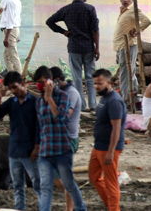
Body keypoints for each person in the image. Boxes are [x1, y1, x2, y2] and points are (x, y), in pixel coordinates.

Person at [33, 66, 87, 211]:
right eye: (37, 83)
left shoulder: (65, 96)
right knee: (45, 186)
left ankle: (76, 207)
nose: (40, 85)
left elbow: (61, 118)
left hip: (63, 145)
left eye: (42, 82)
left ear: (51, 81)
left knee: (67, 182)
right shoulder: (39, 102)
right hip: (46, 148)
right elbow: (40, 125)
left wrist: (49, 98)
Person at [46, 0, 100, 111]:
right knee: (90, 77)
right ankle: (92, 104)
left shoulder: (66, 9)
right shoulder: (90, 9)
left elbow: (49, 21)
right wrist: (97, 47)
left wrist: (63, 31)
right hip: (88, 48)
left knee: (76, 78)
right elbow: (95, 30)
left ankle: (81, 106)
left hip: (74, 47)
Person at [0, 71, 40, 211]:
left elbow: (39, 126)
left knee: (37, 183)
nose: (13, 91)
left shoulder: (34, 102)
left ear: (23, 84)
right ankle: (20, 209)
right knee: (18, 186)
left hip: (30, 149)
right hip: (14, 150)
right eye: (11, 88)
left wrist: (37, 147)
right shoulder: (11, 102)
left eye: (15, 87)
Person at [89, 69, 126, 211]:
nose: (97, 86)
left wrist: (111, 152)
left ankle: (113, 208)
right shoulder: (104, 98)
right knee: (94, 176)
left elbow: (116, 128)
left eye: (100, 83)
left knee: (111, 183)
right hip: (98, 146)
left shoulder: (114, 101)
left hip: (108, 148)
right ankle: (109, 205)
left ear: (109, 83)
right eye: (95, 84)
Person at [50, 67, 83, 211]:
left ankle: (71, 205)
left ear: (57, 80)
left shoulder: (71, 94)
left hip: (68, 140)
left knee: (59, 176)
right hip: (60, 139)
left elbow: (63, 117)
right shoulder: (62, 92)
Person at [113, 0, 151, 106]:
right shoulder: (123, 11)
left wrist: (137, 29)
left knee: (126, 73)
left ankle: (126, 99)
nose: (125, 0)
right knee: (128, 72)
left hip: (128, 46)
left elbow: (147, 21)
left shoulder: (134, 10)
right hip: (121, 46)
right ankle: (132, 98)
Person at [0, 0, 23, 74]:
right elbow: (17, 18)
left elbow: (10, 21)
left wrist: (7, 37)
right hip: (13, 30)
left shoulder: (10, 1)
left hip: (10, 30)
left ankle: (19, 77)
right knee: (7, 56)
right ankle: (12, 75)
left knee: (13, 55)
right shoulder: (16, 0)